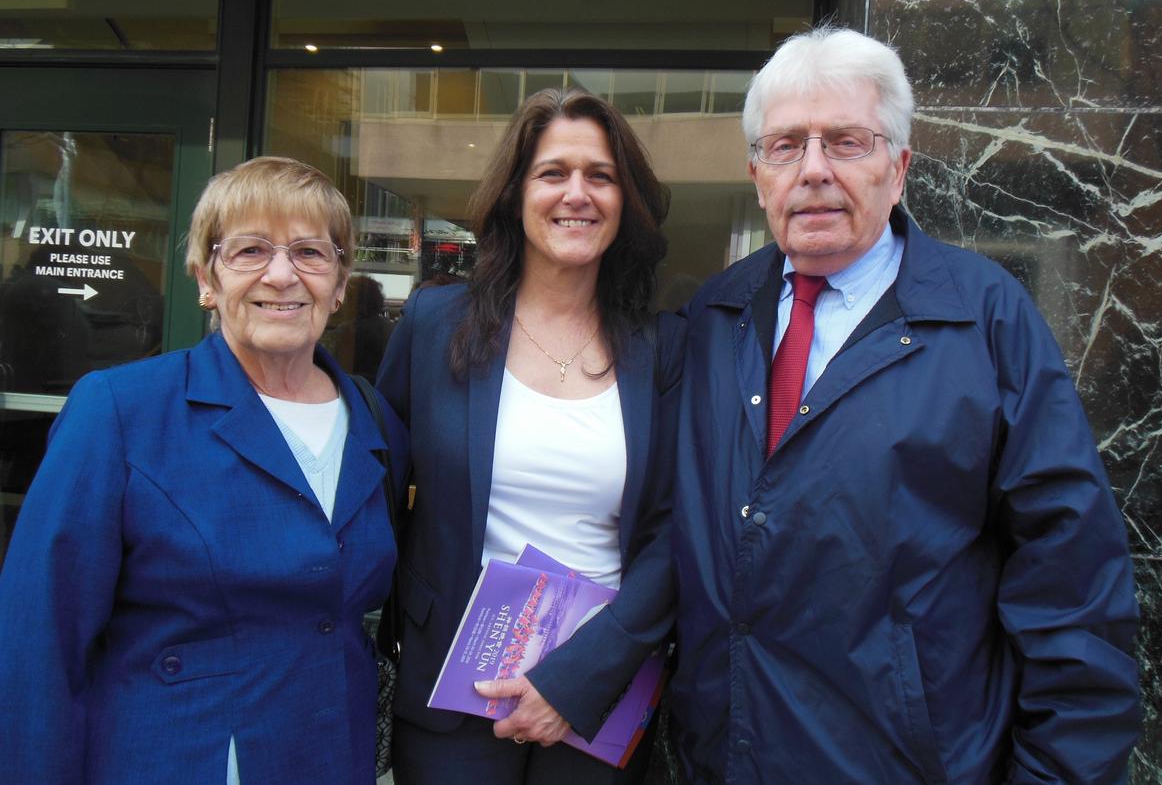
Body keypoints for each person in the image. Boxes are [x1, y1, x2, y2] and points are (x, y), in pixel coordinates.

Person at [670, 28, 1140, 784]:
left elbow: (1072, 581)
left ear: (899, 168)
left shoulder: (985, 318)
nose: (814, 170)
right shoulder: (713, 317)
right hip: (726, 758)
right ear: (757, 175)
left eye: (846, 142)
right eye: (786, 146)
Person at [0, 156, 409, 784]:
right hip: (179, 756)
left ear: (340, 282)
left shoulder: (374, 420)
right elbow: (39, 640)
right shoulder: (122, 410)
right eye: (250, 251)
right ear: (205, 279)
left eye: (310, 252)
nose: (282, 275)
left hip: (331, 755)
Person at [376, 88, 683, 784]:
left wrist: (582, 676)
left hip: (598, 695)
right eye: (553, 173)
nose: (577, 194)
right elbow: (378, 489)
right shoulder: (433, 326)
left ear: (625, 200)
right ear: (516, 193)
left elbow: (674, 530)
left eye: (600, 176)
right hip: (453, 688)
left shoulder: (666, 347)